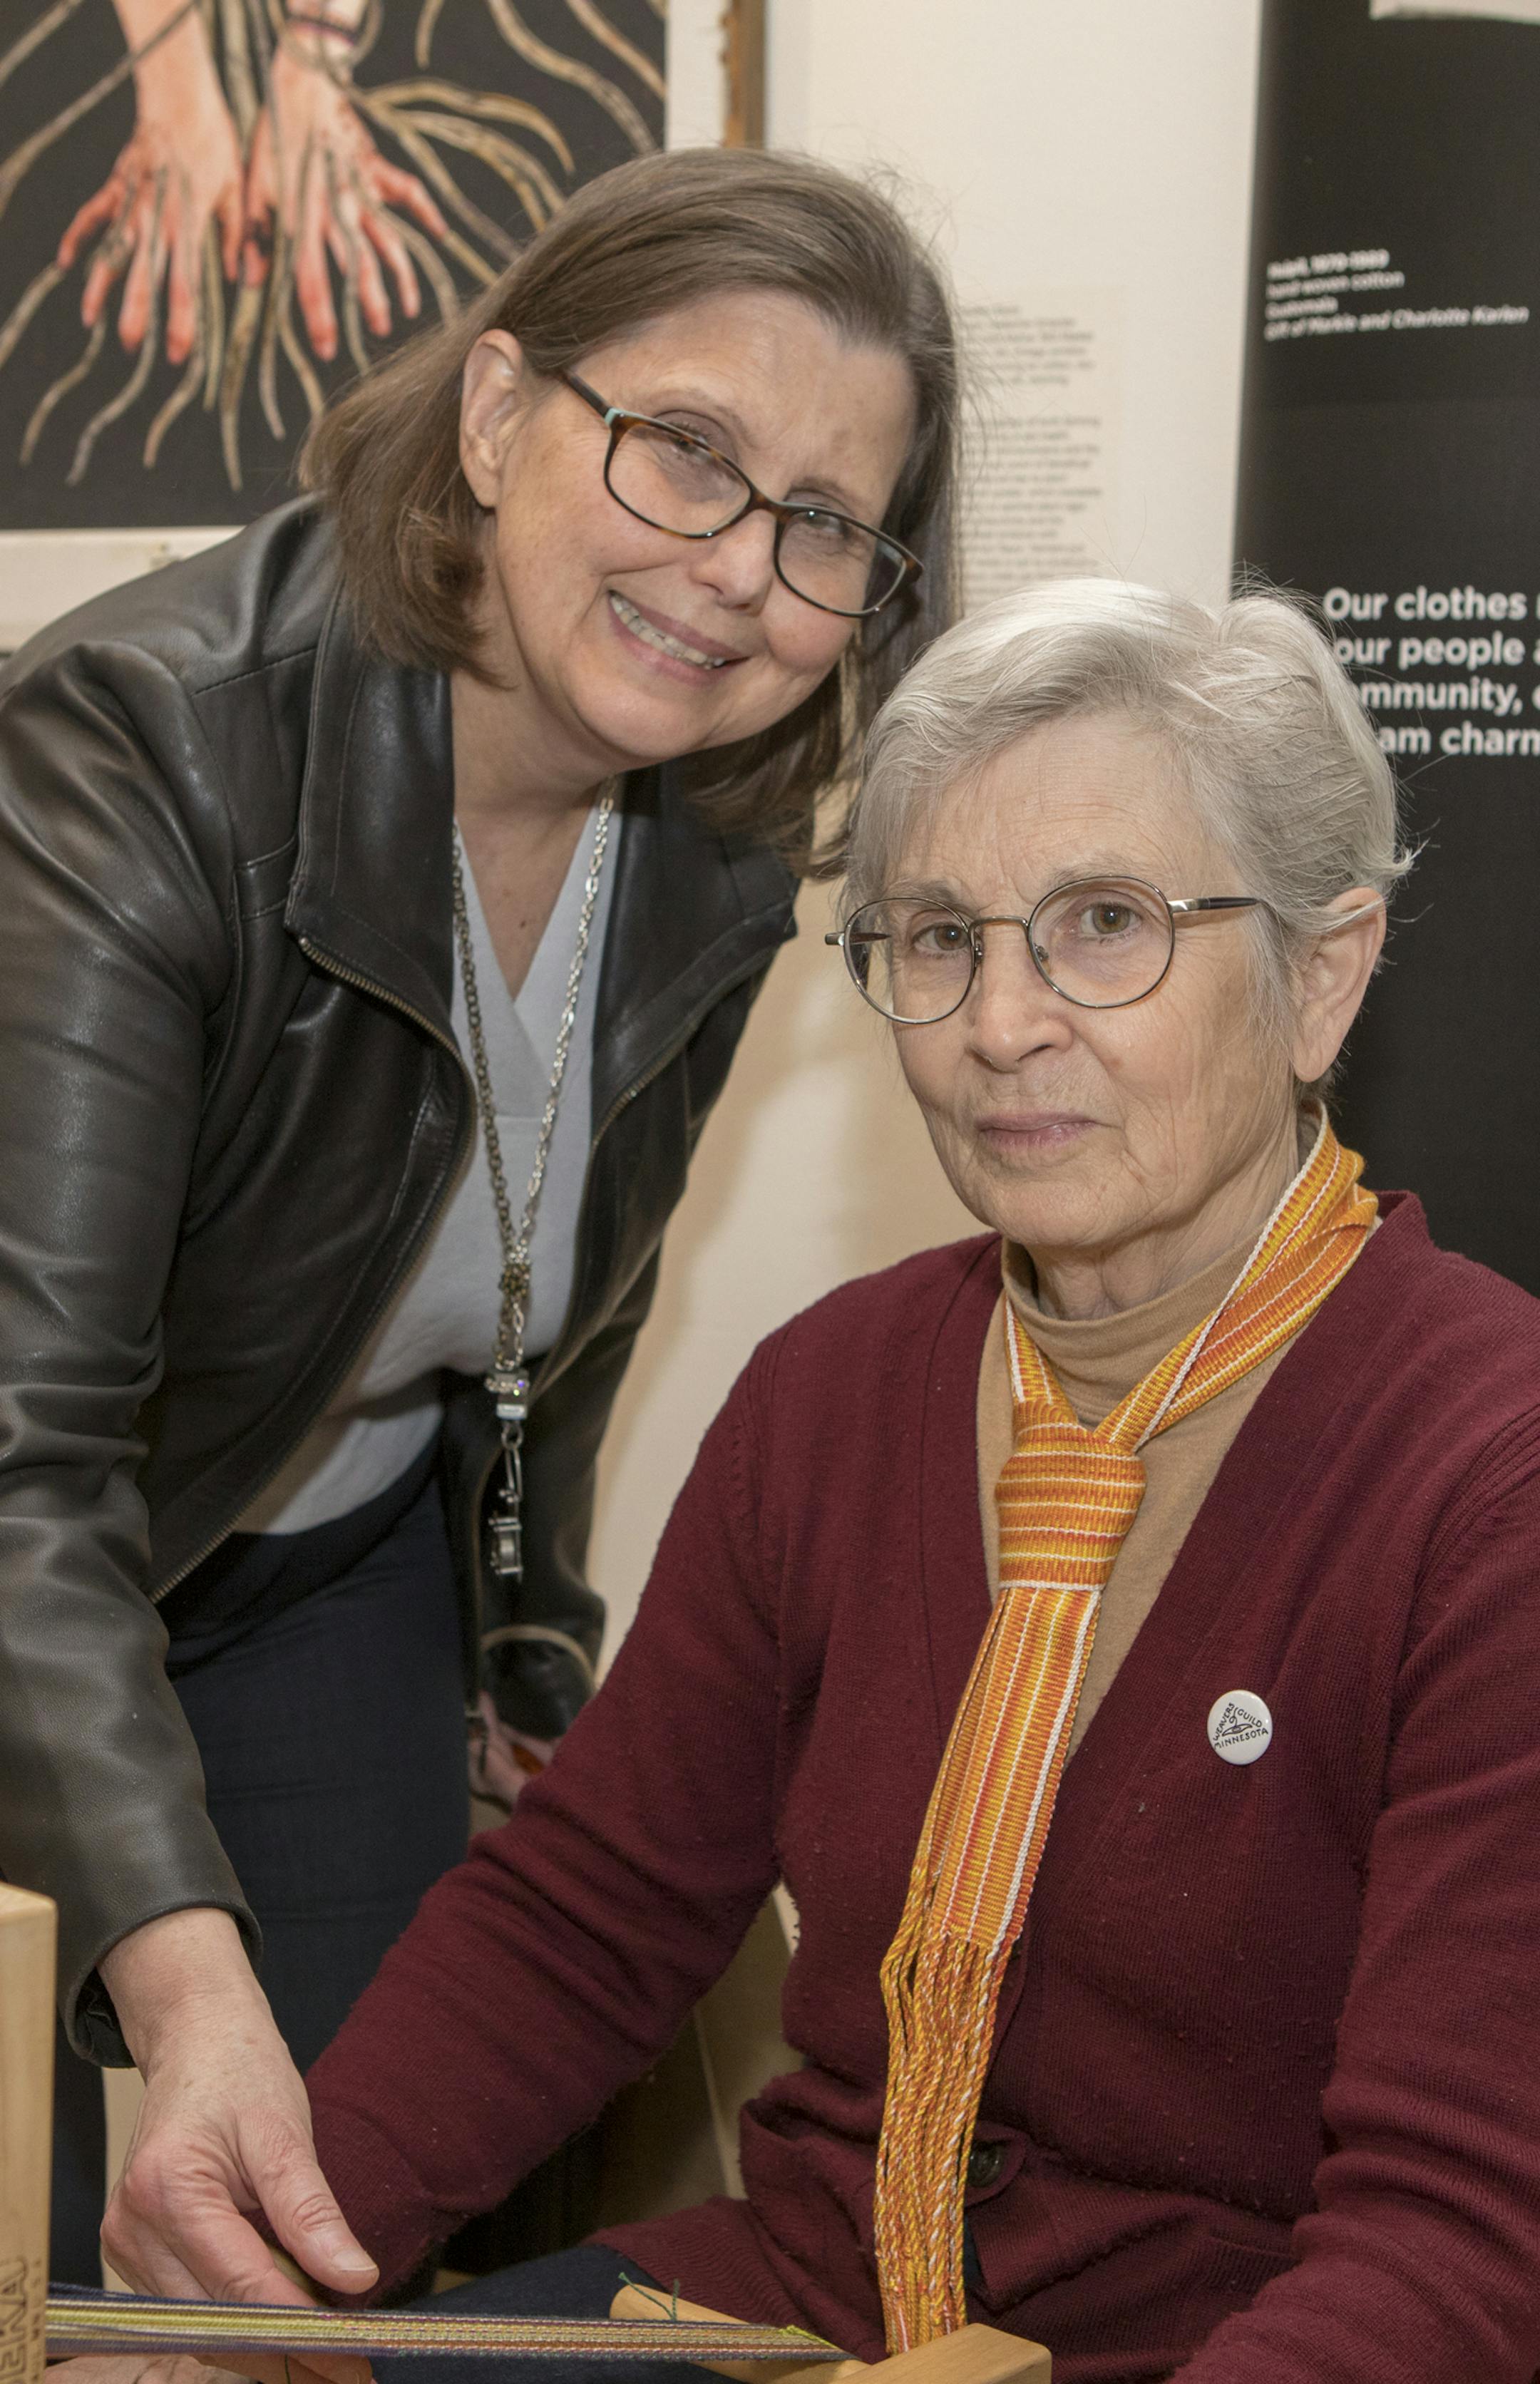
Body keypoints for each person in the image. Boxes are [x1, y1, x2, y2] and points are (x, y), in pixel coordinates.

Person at [103, 576, 1540, 2384]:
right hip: (790, 2308)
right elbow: (587, 1918)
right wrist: (254, 2275)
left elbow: (1461, 2246)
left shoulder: (1493, 1477)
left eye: (1104, 924)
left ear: (1322, 975)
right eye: (938, 937)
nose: (1001, 1019)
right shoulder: (835, 1393)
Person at [0, 143, 960, 2291]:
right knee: (52, 2244)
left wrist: (528, 1627)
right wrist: (178, 1977)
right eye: (686, 451)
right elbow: (16, 1462)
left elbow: (563, 1279)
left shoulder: (719, 834)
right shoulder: (143, 751)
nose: (737, 572)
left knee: (319, 2241)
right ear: (503, 412)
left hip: (331, 1579)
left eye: (826, 525)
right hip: (36, 1571)